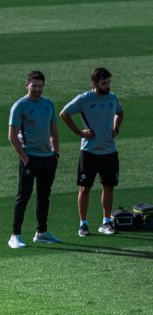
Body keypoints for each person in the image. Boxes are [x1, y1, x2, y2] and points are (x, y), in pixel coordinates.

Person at [60, 67, 124, 237]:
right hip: (89, 152)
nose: (108, 85)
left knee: (109, 188)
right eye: (104, 83)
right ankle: (83, 224)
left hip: (109, 151)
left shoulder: (112, 98)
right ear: (94, 83)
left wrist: (116, 129)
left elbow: (120, 112)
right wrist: (79, 132)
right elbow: (64, 113)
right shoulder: (84, 99)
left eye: (109, 82)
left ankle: (106, 222)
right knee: (84, 189)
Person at [7, 70, 62, 249]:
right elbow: (12, 136)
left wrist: (55, 153)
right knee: (23, 196)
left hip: (47, 159)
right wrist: (25, 159)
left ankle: (42, 232)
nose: (37, 89)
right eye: (34, 86)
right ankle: (15, 235)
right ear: (27, 85)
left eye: (40, 86)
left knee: (44, 197)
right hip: (30, 158)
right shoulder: (20, 106)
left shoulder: (48, 104)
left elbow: (54, 131)